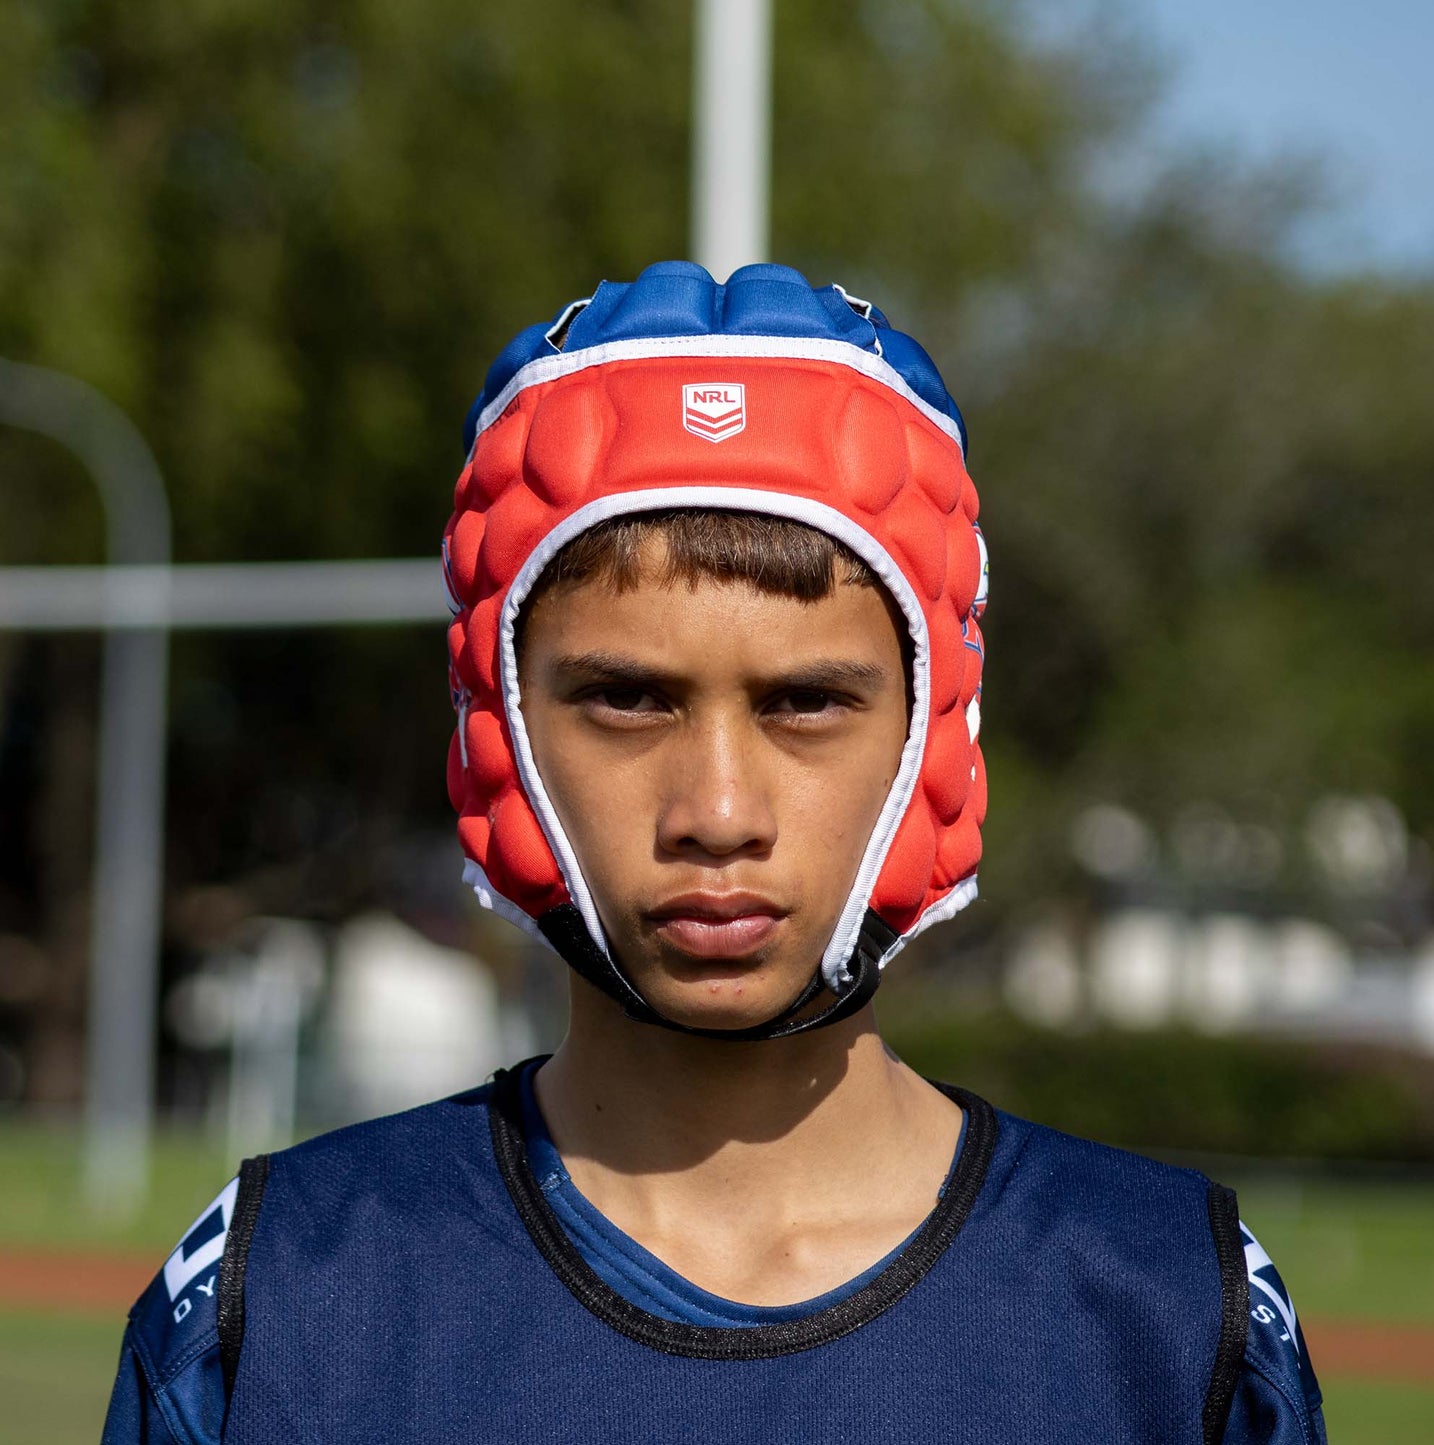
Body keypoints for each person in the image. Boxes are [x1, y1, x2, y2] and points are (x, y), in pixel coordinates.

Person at [102, 261, 1326, 1443]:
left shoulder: (1169, 1312)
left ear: (932, 733)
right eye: (627, 699)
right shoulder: (282, 1296)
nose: (719, 809)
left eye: (807, 703)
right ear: (500, 728)